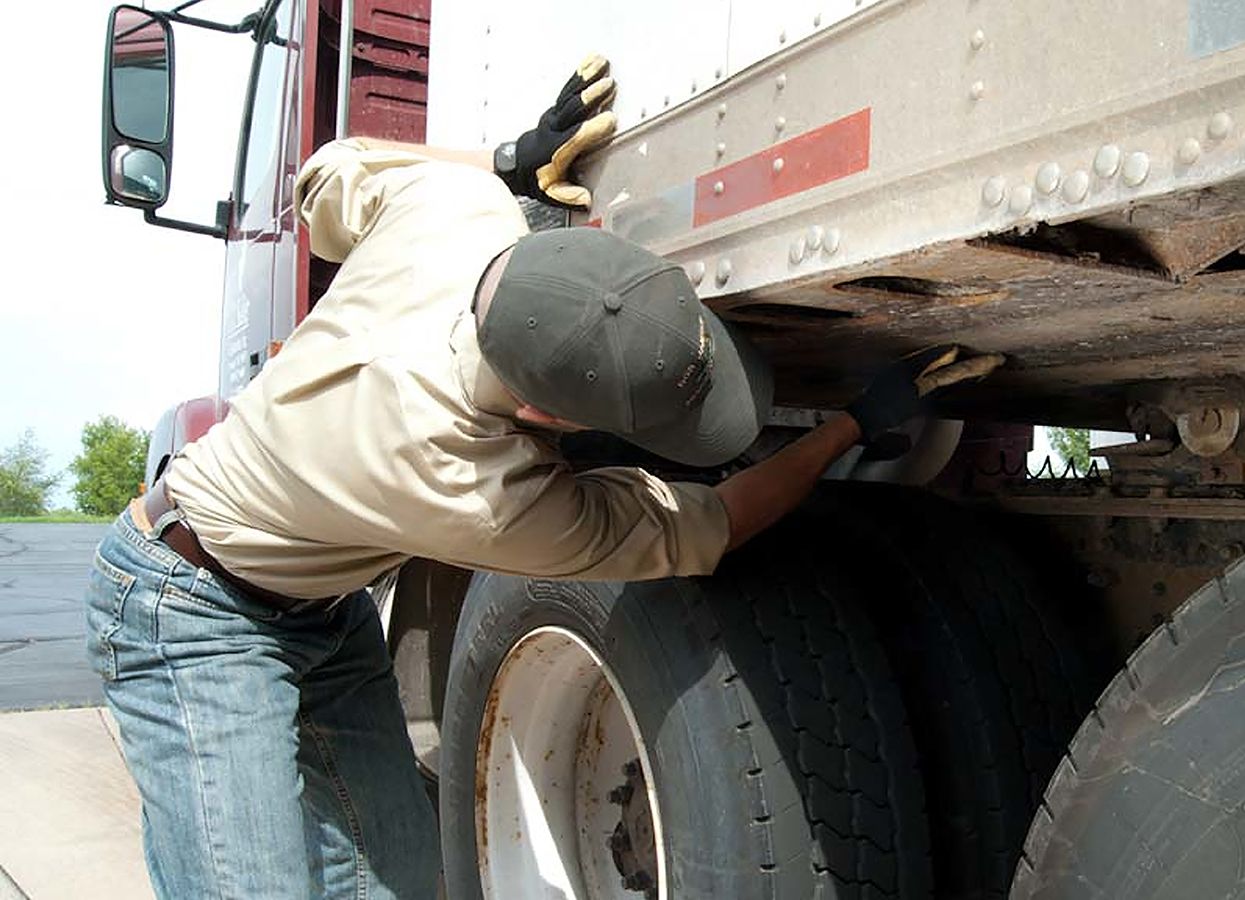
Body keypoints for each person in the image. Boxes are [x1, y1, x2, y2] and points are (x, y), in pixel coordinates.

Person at [85, 56, 996, 899]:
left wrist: (507, 157)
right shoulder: (462, 487)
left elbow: (326, 174)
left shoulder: (464, 208)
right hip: (188, 613)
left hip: (317, 607)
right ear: (547, 420)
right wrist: (848, 426)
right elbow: (707, 527)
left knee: (395, 881)